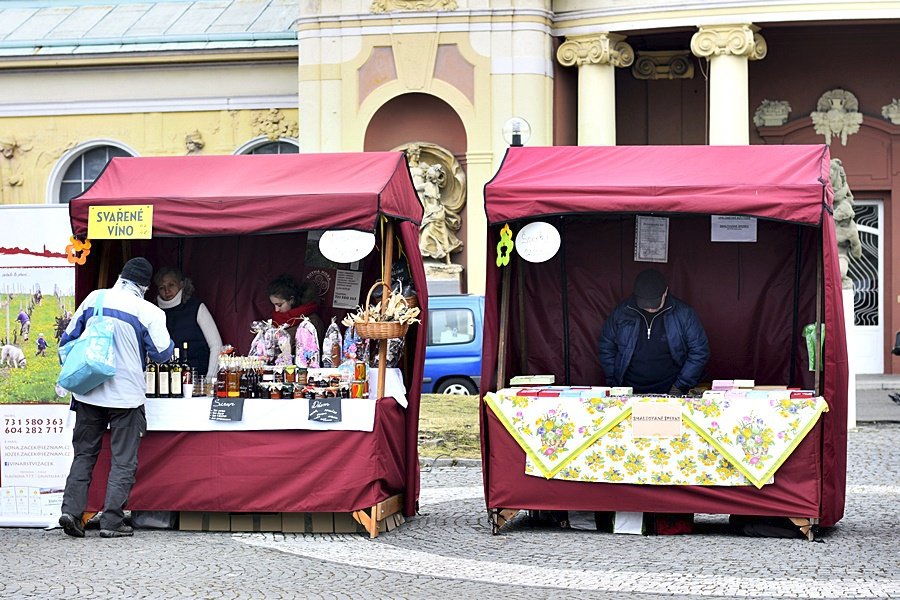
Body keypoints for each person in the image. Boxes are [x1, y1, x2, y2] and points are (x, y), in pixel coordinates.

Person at [58, 257, 173, 539]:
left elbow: (68, 339)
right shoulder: (149, 311)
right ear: (145, 286)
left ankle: (72, 512)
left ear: (121, 276)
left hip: (88, 390)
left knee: (84, 454)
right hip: (127, 398)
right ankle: (112, 521)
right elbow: (162, 353)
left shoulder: (94, 298)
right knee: (123, 460)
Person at [598, 268, 709, 396]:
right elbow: (606, 347)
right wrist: (615, 382)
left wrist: (680, 386)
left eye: (654, 303)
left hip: (671, 389)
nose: (650, 308)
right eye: (645, 303)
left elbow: (699, 351)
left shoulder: (684, 314)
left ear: (665, 292)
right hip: (628, 390)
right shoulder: (621, 313)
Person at [154, 266, 223, 381]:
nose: (167, 291)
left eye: (171, 285)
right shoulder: (154, 312)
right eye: (162, 287)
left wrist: (210, 378)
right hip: (164, 382)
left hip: (197, 379)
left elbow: (216, 345)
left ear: (181, 285)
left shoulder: (196, 307)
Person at [266, 274, 323, 342]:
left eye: (279, 305)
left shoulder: (312, 322)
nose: (276, 310)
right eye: (274, 305)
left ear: (291, 300)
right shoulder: (276, 319)